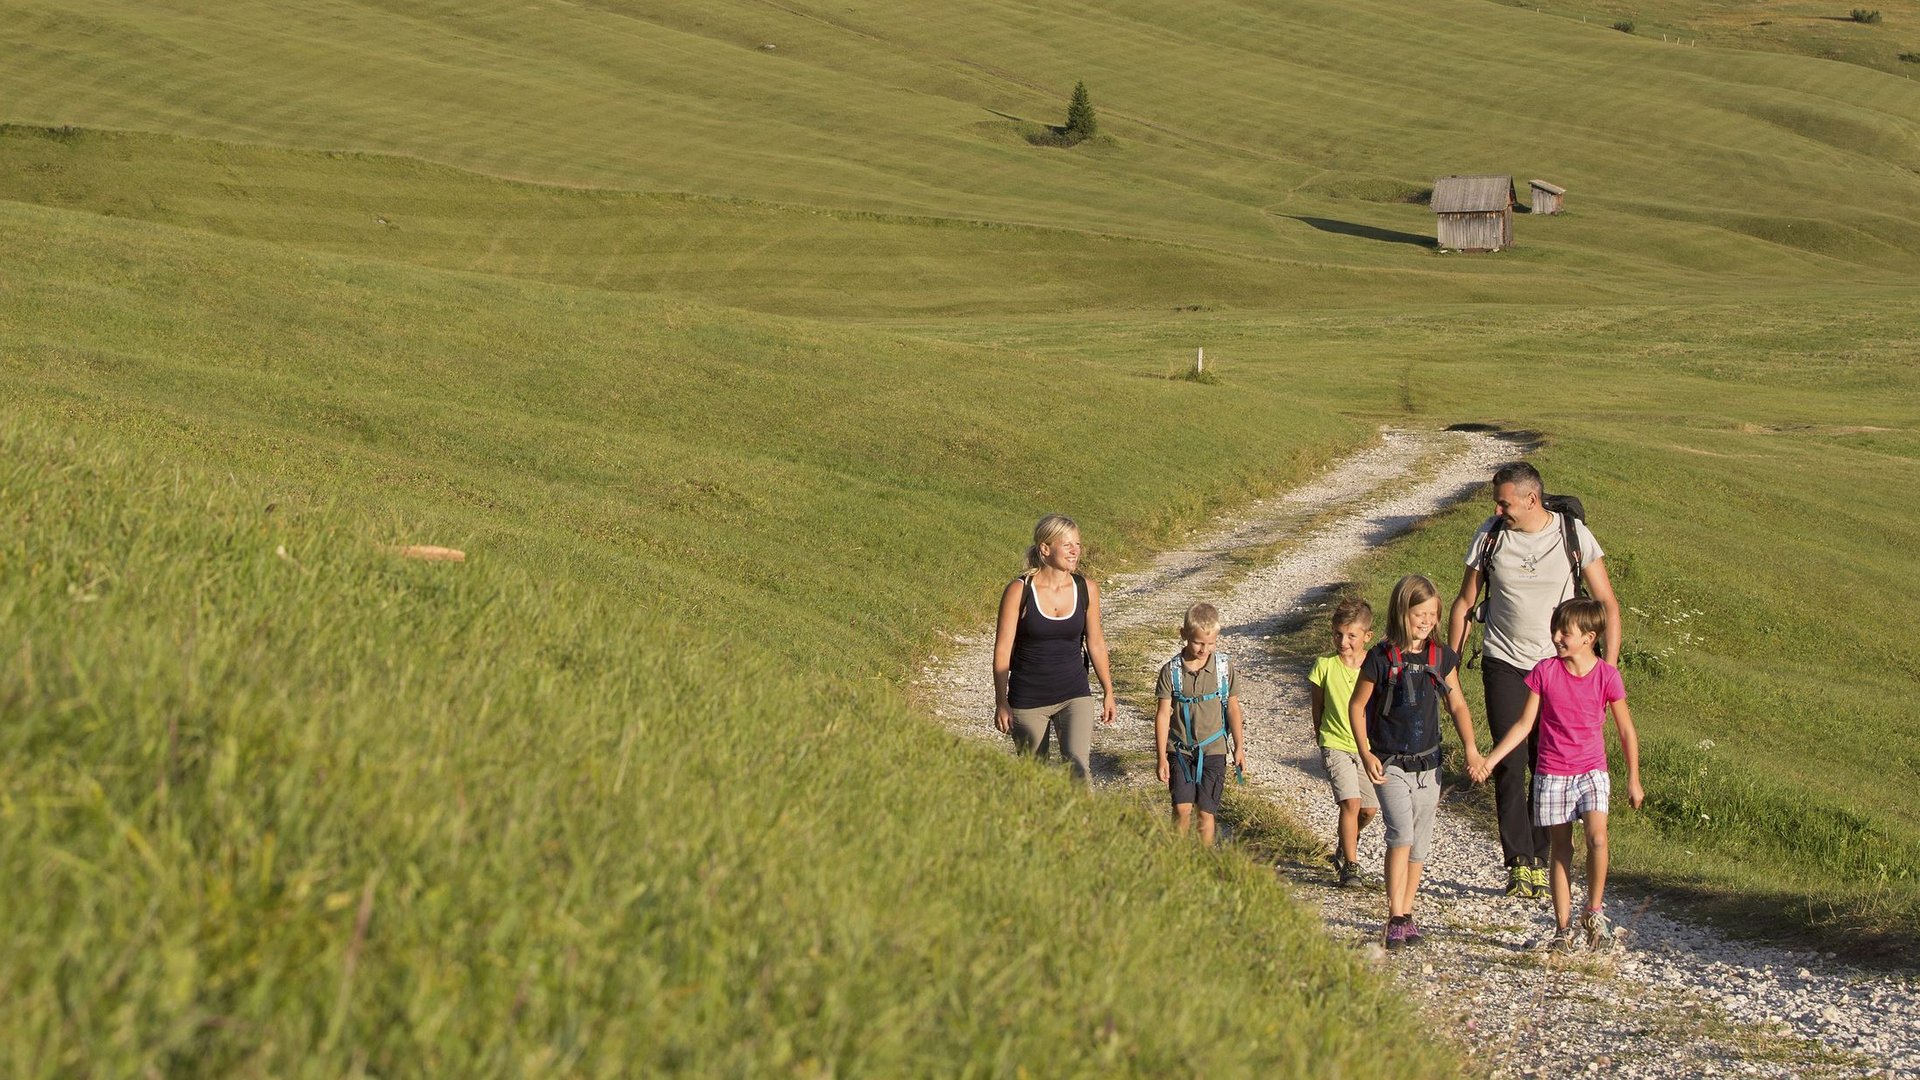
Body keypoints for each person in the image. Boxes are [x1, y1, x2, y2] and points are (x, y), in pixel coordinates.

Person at [1448, 461, 1622, 899]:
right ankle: (1519, 860)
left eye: (1504, 501)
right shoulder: (1490, 536)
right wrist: (1447, 663)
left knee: (1551, 766)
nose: (1498, 508)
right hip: (1504, 661)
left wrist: (1607, 670)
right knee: (1510, 761)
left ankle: (1542, 857)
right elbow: (1466, 600)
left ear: (1531, 499)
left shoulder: (1571, 534)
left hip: (1560, 669)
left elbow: (1607, 603)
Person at [1471, 597, 1643, 951]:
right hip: (1552, 773)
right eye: (1555, 630)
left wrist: (1633, 778)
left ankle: (1593, 911)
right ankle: (1563, 930)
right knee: (1560, 849)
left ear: (1589, 637)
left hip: (1592, 770)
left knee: (1598, 838)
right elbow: (1523, 725)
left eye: (1566, 631)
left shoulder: (1607, 676)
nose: (1557, 637)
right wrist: (1491, 759)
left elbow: (1626, 731)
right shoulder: (1544, 672)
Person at [1350, 574, 1482, 950]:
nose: (1425, 621)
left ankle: (1407, 914)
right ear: (1401, 612)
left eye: (1432, 614)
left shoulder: (1441, 656)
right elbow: (1356, 706)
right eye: (1418, 614)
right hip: (1390, 763)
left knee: (1420, 844)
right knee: (1401, 835)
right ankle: (1393, 915)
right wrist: (1366, 752)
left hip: (1429, 765)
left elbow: (1456, 703)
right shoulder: (1380, 657)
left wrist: (1470, 748)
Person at [994, 514, 1116, 782]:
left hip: (1074, 694)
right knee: (1033, 777)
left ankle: (1081, 824)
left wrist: (1108, 690)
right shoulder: (1019, 590)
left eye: (1078, 545)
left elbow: (1095, 642)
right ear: (1045, 549)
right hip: (1028, 700)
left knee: (1078, 768)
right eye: (1067, 545)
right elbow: (1002, 651)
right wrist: (1001, 702)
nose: (1076, 551)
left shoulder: (1086, 589)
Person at [1154, 603, 1247, 846]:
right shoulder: (1170, 671)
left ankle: (1203, 862)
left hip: (1214, 749)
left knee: (1206, 813)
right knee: (1182, 809)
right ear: (1183, 635)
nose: (1204, 649)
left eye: (1210, 644)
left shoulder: (1223, 669)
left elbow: (1234, 708)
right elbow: (1163, 714)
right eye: (1198, 643)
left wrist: (1239, 747)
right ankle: (1179, 858)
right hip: (1180, 750)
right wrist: (1161, 756)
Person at [1307, 597, 1378, 887]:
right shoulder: (1324, 666)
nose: (1343, 641)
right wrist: (1321, 737)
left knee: (1368, 809)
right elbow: (1317, 707)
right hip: (1334, 742)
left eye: (1351, 635)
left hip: (1366, 747)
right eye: (1338, 634)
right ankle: (1351, 865)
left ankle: (1345, 840)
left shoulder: (1374, 666)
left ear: (1366, 636)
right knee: (1350, 802)